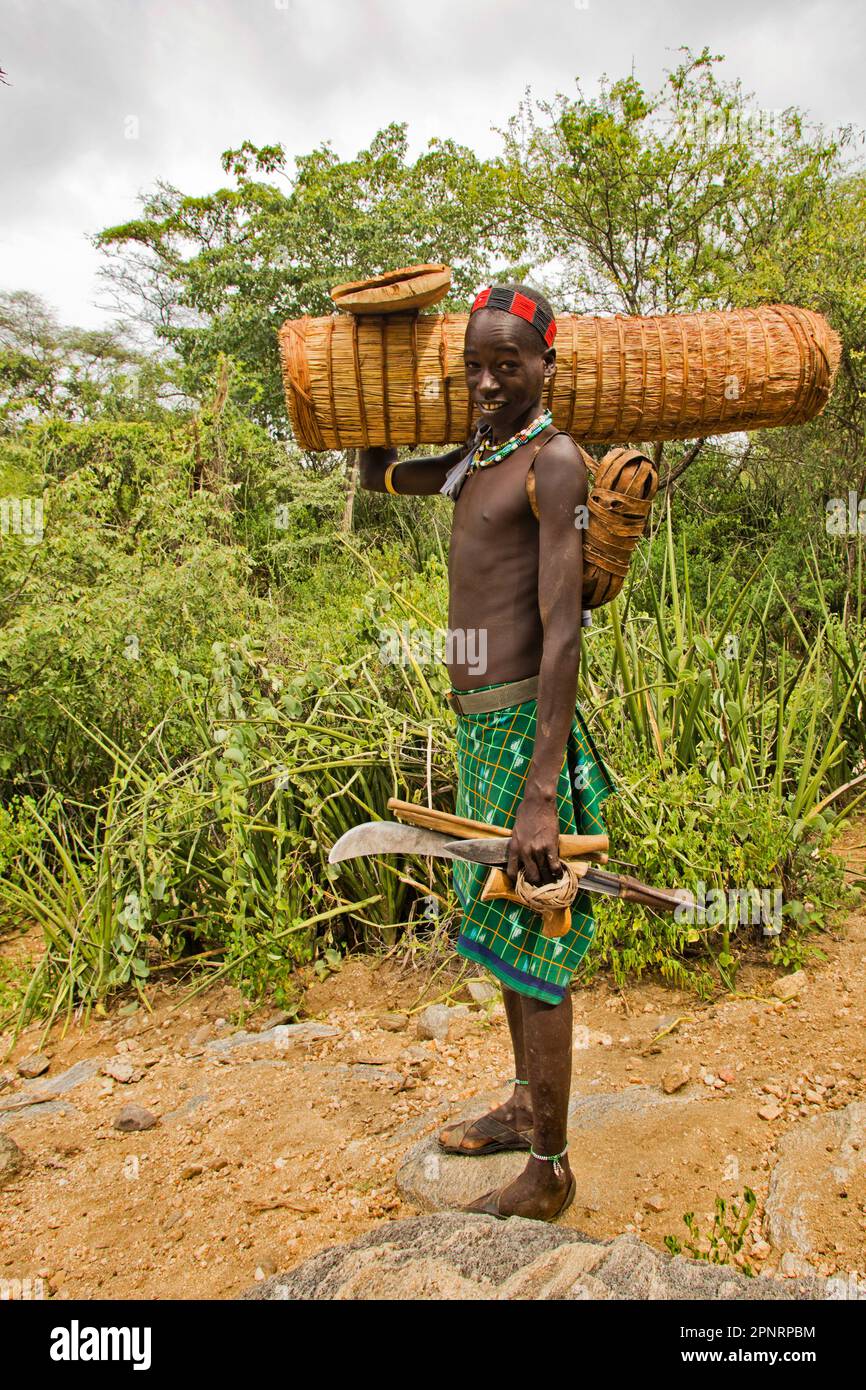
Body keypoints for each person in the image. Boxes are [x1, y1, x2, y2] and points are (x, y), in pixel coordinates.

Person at [358, 283, 613, 1221]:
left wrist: (541, 792)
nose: (490, 381)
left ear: (548, 367)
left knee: (537, 934)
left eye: (510, 364)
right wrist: (366, 401)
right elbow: (380, 479)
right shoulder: (476, 460)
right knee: (504, 932)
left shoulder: (552, 464)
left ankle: (550, 1170)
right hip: (479, 724)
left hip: (520, 730)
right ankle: (521, 1103)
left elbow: (562, 633)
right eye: (476, 365)